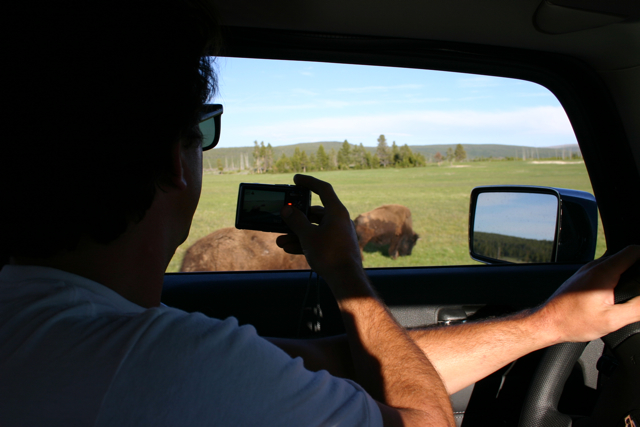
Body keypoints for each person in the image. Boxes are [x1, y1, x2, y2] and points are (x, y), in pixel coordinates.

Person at [1, 1, 639, 426]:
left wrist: (549, 324)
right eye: (203, 129)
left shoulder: (49, 319)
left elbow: (334, 363)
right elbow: (424, 420)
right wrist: (347, 276)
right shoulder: (157, 357)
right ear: (176, 158)